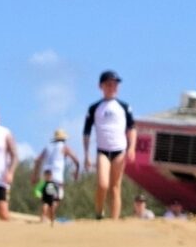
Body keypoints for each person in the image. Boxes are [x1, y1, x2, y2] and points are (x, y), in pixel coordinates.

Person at [83, 71, 135, 220]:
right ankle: (99, 213)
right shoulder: (94, 108)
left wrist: (132, 147)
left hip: (119, 149)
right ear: (101, 86)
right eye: (109, 84)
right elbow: (86, 131)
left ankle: (114, 220)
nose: (113, 87)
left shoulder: (124, 106)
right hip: (102, 150)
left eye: (115, 84)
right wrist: (86, 154)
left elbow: (132, 128)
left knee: (115, 187)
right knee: (102, 184)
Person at [35, 127, 81, 224]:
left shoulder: (47, 147)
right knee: (55, 199)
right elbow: (76, 161)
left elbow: (37, 160)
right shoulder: (64, 147)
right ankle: (46, 218)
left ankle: (43, 217)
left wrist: (35, 174)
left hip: (46, 176)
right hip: (56, 177)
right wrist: (76, 173)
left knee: (46, 198)